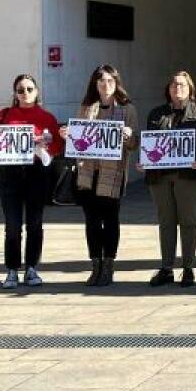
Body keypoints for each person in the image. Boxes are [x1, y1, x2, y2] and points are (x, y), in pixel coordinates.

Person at [0, 74, 63, 289]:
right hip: (9, 174)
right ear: (15, 93)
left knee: (34, 223)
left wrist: (45, 146)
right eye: (21, 90)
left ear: (37, 92)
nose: (25, 94)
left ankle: (31, 268)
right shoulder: (5, 115)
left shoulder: (47, 117)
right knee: (12, 225)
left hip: (36, 174)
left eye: (30, 89)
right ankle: (12, 269)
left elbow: (57, 147)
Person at [142, 71, 196, 288]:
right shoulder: (157, 113)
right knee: (166, 222)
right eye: (174, 84)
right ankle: (166, 268)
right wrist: (145, 162)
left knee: (188, 221)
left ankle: (188, 267)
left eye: (183, 84)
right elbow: (151, 144)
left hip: (189, 176)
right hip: (160, 177)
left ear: (190, 88)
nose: (178, 88)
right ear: (168, 89)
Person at [65, 65, 138, 287]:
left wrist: (128, 136)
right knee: (92, 222)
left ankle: (108, 266)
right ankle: (95, 265)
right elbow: (78, 141)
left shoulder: (127, 110)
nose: (105, 85)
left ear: (116, 83)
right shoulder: (87, 107)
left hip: (112, 173)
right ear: (94, 84)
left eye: (109, 81)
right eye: (101, 81)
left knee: (111, 220)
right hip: (88, 173)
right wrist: (68, 135)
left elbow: (134, 143)